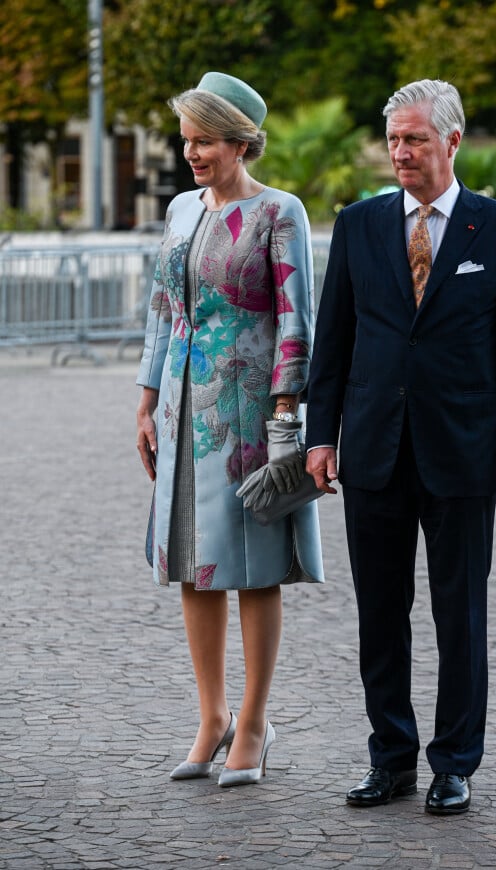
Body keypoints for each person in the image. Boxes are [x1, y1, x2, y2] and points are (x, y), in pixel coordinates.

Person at [306, 79, 496, 815]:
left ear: (453, 142)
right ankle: (391, 758)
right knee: (380, 613)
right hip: (373, 449)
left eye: (414, 139)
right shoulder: (358, 225)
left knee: (459, 614)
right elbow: (334, 342)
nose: (400, 152)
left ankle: (454, 763)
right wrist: (320, 436)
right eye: (394, 140)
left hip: (465, 452)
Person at [136, 71, 324, 789]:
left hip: (247, 412)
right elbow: (162, 310)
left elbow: (294, 320)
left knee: (253, 564)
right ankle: (210, 716)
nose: (192, 153)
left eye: (206, 140)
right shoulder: (181, 210)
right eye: (187, 140)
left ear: (243, 143)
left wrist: (286, 418)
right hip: (183, 411)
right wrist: (146, 400)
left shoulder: (282, 212)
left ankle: (253, 722)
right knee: (194, 559)